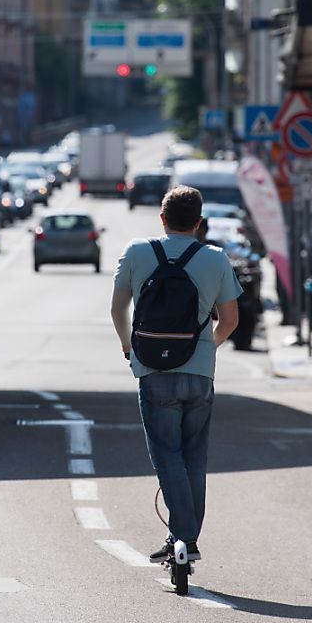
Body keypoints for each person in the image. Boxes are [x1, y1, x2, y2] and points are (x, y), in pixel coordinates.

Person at [110, 186, 241, 565]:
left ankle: (182, 537)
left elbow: (118, 309)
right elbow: (230, 320)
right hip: (199, 371)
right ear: (200, 223)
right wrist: (206, 349)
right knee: (194, 456)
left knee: (166, 455)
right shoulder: (216, 258)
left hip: (152, 368)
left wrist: (127, 347)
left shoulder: (137, 252)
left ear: (162, 219)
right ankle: (186, 538)